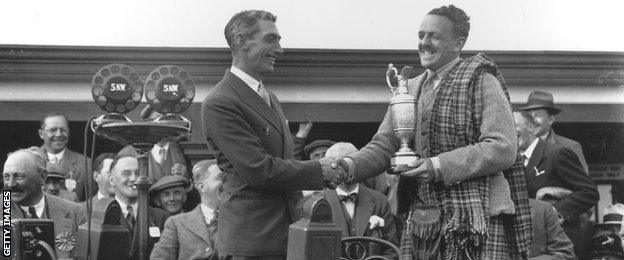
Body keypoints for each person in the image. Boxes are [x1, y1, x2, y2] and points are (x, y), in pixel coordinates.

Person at [333, 5, 532, 259]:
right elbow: (384, 144)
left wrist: (438, 166)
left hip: (478, 220)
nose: (424, 43)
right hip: (422, 223)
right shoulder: (408, 89)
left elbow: (502, 147)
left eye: (434, 36)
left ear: (458, 43)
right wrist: (348, 166)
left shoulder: (482, 80)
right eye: (421, 35)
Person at [201, 10, 345, 259]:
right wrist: (320, 170)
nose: (280, 49)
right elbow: (259, 170)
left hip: (286, 236)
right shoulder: (220, 101)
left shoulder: (268, 97)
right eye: (271, 39)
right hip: (252, 243)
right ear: (241, 40)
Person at [515, 110, 598, 255]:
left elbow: (589, 192)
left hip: (559, 241)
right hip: (531, 242)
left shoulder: (557, 153)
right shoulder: (513, 161)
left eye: (514, 126)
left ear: (531, 127)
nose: (509, 132)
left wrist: (555, 212)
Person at [3, 147, 86, 258]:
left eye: (19, 176)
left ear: (42, 177)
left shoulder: (75, 213)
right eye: (6, 176)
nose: (10, 184)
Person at [322, 142, 398, 259]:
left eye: (343, 165)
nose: (338, 171)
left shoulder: (379, 201)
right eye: (333, 166)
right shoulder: (320, 203)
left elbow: (391, 250)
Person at [151, 160, 224, 260]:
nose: (229, 184)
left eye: (231, 179)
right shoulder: (176, 223)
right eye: (221, 178)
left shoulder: (243, 220)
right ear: (201, 186)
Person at [108, 146, 169, 259]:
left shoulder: (161, 218)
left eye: (137, 173)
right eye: (126, 173)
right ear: (112, 180)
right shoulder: (98, 216)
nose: (133, 179)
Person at [520, 90, 589, 174]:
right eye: (530, 115)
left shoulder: (569, 147)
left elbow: (581, 183)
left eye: (538, 115)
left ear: (550, 120)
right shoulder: (518, 147)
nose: (533, 120)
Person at [38, 112, 91, 201]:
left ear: (68, 132)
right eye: (53, 130)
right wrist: (6, 214)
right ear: (41, 133)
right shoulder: (27, 160)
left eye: (63, 130)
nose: (59, 134)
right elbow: (7, 196)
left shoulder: (85, 163)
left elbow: (91, 202)